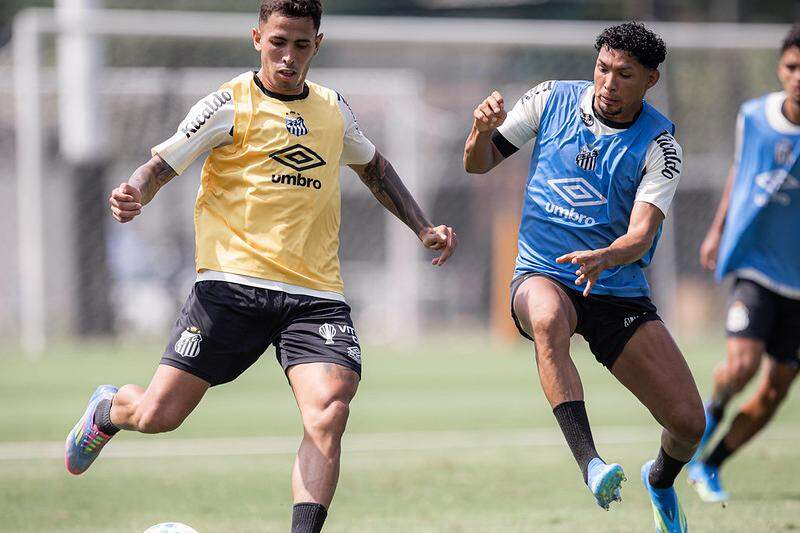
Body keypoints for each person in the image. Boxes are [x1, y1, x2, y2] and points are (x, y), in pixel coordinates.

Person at [64, 2, 457, 532]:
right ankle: (110, 409)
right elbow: (161, 165)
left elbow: (376, 168)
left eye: (301, 44)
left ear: (317, 44)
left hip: (315, 294)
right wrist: (133, 190)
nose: (289, 57)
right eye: (278, 43)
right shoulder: (228, 104)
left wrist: (422, 227)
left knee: (330, 410)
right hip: (229, 288)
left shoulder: (333, 108)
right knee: (158, 416)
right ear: (257, 39)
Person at [463, 21, 703, 533]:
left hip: (616, 289)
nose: (608, 84)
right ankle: (591, 463)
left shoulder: (660, 145)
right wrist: (481, 130)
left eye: (624, 74)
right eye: (602, 68)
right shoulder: (550, 99)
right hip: (543, 272)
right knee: (548, 317)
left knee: (688, 425)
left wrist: (605, 258)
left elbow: (640, 237)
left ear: (651, 80)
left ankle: (659, 480)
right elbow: (478, 165)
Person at [688, 24, 800, 504]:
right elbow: (741, 171)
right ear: (780, 68)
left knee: (775, 390)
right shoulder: (754, 117)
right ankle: (700, 425)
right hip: (755, 265)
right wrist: (716, 230)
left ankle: (710, 465)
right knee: (742, 366)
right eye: (793, 67)